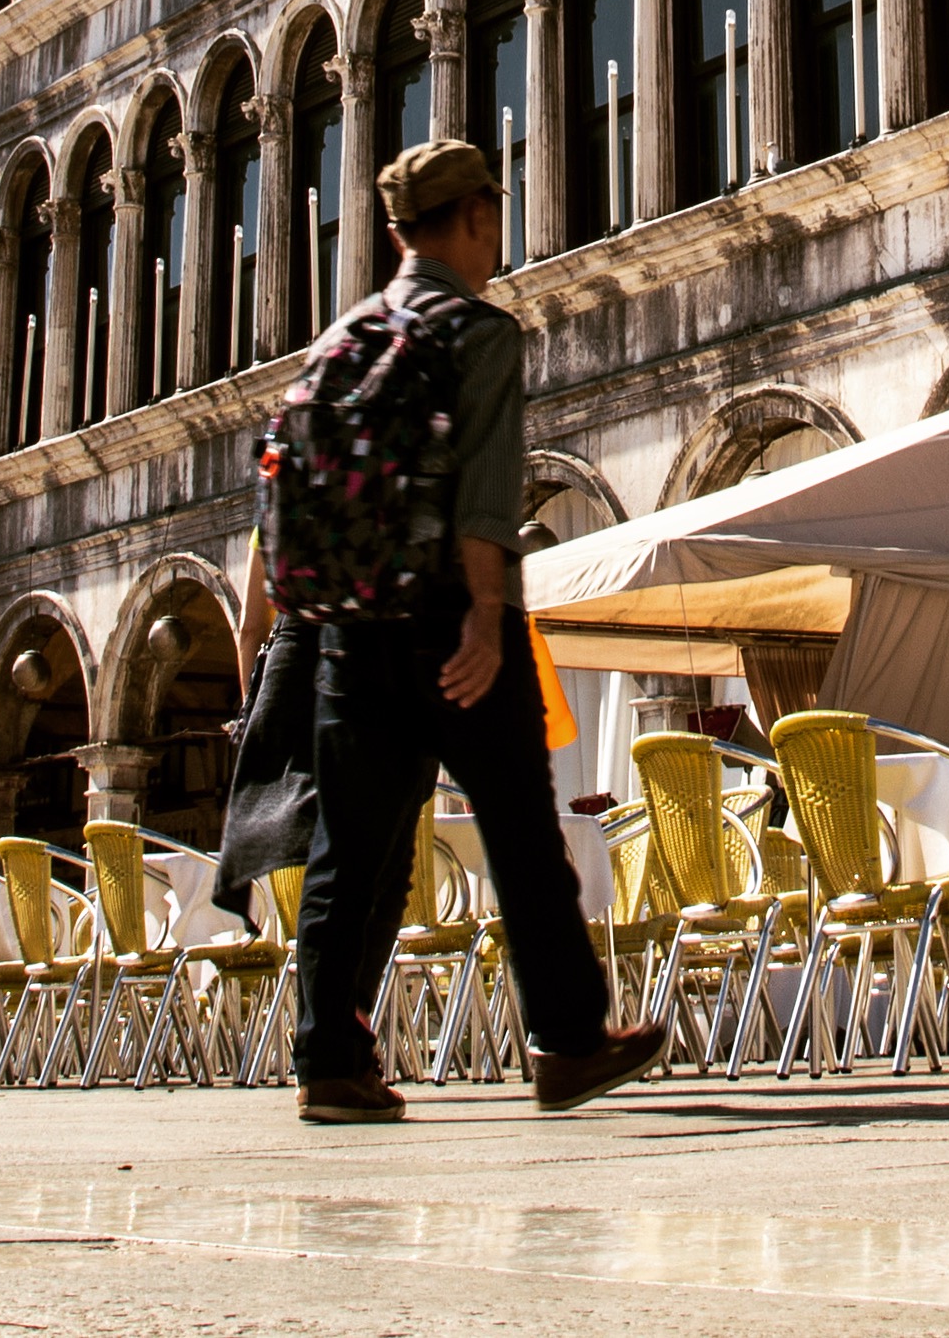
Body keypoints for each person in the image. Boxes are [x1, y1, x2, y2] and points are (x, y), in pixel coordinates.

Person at [237, 135, 661, 1124]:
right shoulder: (479, 334)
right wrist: (481, 616)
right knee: (521, 830)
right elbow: (482, 493)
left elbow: (278, 494)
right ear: (474, 217)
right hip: (449, 622)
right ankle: (567, 1039)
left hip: (348, 630)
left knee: (351, 851)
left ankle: (329, 1061)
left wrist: (283, 628)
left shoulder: (339, 339)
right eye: (490, 216)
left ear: (392, 233)